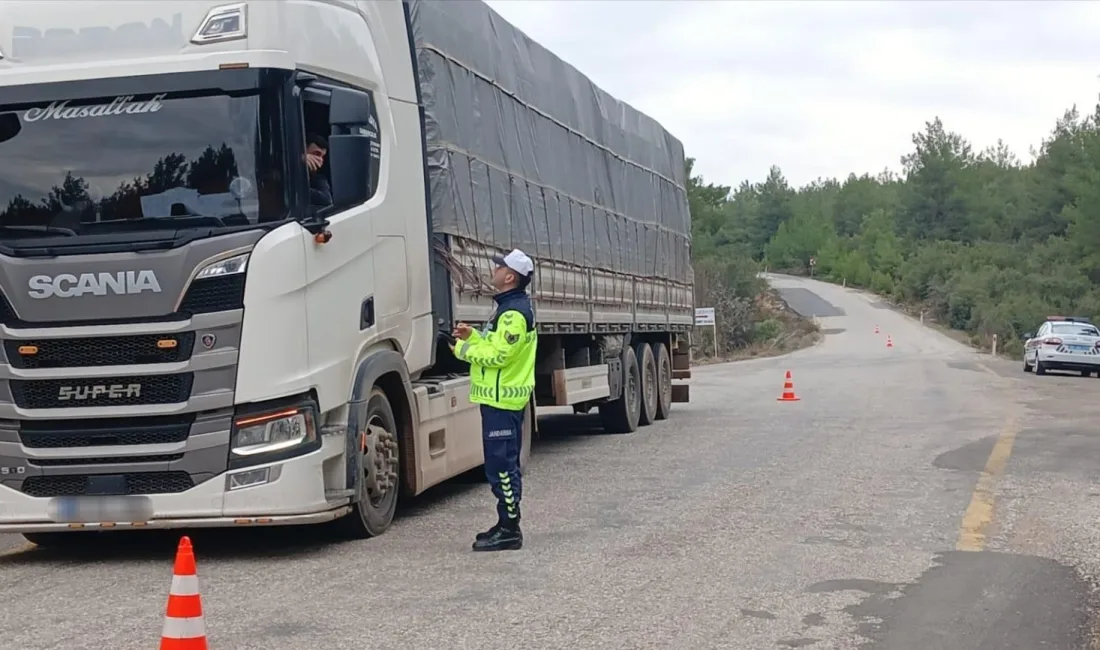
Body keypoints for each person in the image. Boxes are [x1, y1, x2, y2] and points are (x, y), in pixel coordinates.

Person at [451, 248, 538, 552]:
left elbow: (500, 356)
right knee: (499, 465)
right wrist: (472, 336)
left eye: (499, 266)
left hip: (504, 402)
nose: (494, 269)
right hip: (497, 401)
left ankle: (510, 530)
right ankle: (505, 523)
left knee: (502, 467)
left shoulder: (514, 313)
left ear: (510, 276)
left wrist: (461, 351)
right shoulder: (506, 309)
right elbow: (492, 344)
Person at [304, 133, 332, 207]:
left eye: (322, 157)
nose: (320, 160)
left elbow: (326, 199)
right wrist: (299, 161)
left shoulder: (318, 178)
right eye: (316, 154)